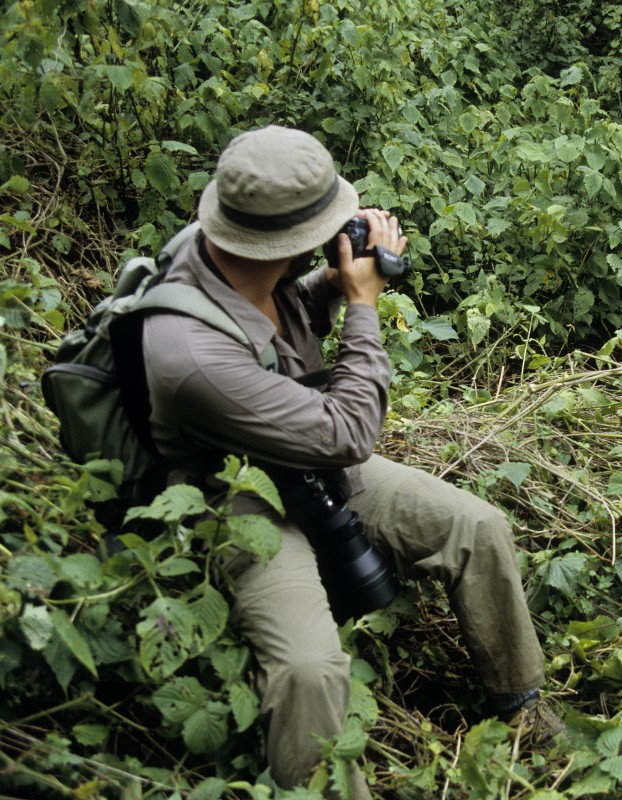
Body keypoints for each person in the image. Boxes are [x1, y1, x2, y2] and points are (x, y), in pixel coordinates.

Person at [141, 125, 563, 799]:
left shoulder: (234, 256)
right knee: (309, 671)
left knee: (478, 528)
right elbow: (350, 433)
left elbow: (284, 323)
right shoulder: (187, 351)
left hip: (307, 458)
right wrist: (364, 304)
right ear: (286, 239)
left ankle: (522, 705)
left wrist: (333, 283)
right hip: (242, 501)